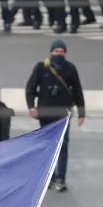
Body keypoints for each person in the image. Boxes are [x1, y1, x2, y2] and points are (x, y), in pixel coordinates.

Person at [25, 39, 85, 192]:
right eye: (56, 51)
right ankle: (49, 177)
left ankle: (61, 178)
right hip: (45, 113)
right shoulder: (41, 68)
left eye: (61, 52)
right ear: (51, 52)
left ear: (65, 53)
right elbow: (30, 88)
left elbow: (77, 90)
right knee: (47, 145)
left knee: (62, 145)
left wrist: (81, 112)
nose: (59, 54)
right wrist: (31, 106)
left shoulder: (70, 68)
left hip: (63, 113)